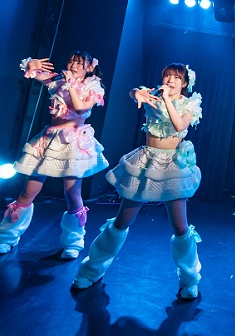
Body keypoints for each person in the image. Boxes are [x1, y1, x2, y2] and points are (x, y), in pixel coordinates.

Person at [71, 63, 203, 300]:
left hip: (173, 165)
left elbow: (179, 125)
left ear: (185, 83)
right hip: (147, 161)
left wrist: (166, 99)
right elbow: (133, 92)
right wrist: (136, 93)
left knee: (180, 226)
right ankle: (91, 271)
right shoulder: (153, 95)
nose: (170, 80)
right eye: (167, 76)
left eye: (176, 78)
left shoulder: (190, 103)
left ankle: (189, 280)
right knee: (122, 221)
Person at [0, 52, 108, 258]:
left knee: (72, 194)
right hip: (49, 139)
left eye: (79, 63)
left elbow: (80, 108)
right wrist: (31, 64)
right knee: (28, 191)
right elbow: (33, 73)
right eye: (71, 61)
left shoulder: (94, 86)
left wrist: (70, 84)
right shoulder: (58, 81)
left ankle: (73, 242)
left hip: (73, 141)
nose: (73, 65)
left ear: (90, 68)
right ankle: (6, 238)